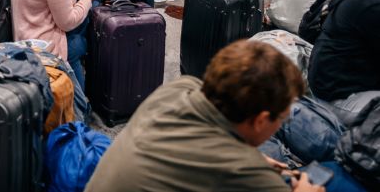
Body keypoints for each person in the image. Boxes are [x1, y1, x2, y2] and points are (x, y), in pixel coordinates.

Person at [84, 41, 320, 192]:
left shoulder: (178, 89)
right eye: (282, 118)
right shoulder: (243, 170)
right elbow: (225, 163)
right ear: (260, 120)